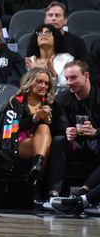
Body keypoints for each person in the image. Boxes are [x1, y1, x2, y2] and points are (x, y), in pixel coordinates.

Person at [0, 68, 58, 199]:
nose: (43, 86)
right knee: (43, 131)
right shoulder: (15, 102)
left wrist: (48, 119)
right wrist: (35, 118)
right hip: (19, 144)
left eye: (46, 83)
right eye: (39, 82)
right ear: (30, 82)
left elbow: (61, 129)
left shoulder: (50, 104)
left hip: (43, 147)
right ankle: (36, 184)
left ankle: (36, 168)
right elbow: (9, 130)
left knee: (45, 129)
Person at [47, 61, 100, 199]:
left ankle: (83, 191)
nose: (69, 82)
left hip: (97, 144)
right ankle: (54, 194)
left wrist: (96, 132)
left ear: (86, 76)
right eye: (67, 78)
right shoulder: (62, 99)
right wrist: (67, 132)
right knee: (58, 141)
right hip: (76, 145)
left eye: (74, 77)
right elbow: (59, 126)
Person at [24, 24, 75, 89]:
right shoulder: (31, 61)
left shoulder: (67, 59)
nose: (43, 34)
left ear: (56, 38)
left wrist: (54, 75)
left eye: (48, 32)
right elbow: (26, 86)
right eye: (40, 33)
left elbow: (69, 85)